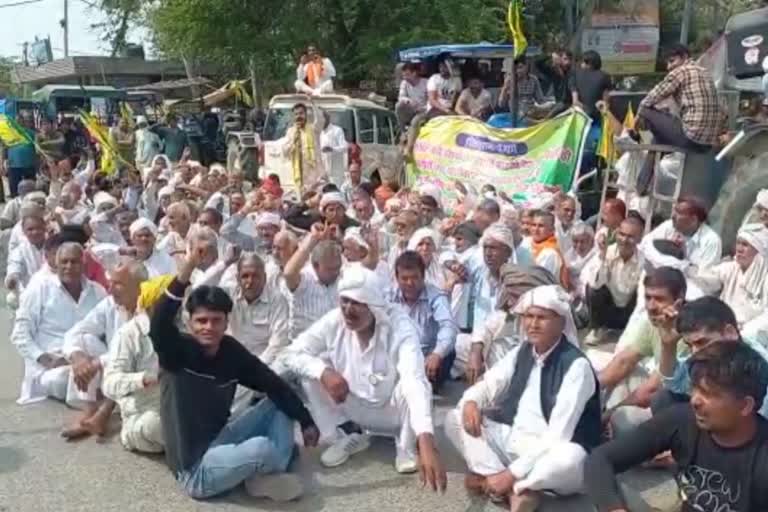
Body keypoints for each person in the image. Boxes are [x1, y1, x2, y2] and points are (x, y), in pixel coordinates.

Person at [148, 249, 318, 500]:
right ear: (190, 323)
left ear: (227, 322)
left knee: (280, 402)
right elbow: (160, 322)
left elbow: (271, 383)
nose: (209, 328)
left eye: (216, 321)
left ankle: (263, 474)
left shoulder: (230, 350)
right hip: (196, 469)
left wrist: (306, 421)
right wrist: (186, 270)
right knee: (262, 447)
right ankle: (266, 470)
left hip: (223, 437)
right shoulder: (176, 353)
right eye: (201, 321)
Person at [279, 265, 447, 489]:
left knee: (419, 385)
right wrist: (324, 372)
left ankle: (406, 446)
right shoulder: (335, 320)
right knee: (311, 372)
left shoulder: (400, 326)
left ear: (375, 307)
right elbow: (291, 353)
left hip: (394, 412)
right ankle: (344, 437)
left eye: (357, 303)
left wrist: (426, 440)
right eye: (344, 301)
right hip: (352, 405)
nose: (348, 310)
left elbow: (413, 379)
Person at [445, 285, 600, 512]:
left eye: (542, 318)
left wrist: (512, 473)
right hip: (515, 440)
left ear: (560, 322)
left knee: (570, 458)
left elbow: (558, 435)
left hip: (550, 453)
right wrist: (471, 401)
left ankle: (511, 482)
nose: (533, 324)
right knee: (455, 418)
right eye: (528, 316)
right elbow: (490, 383)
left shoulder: (577, 366)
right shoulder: (523, 350)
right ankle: (510, 487)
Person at [585, 341, 768, 512]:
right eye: (695, 388)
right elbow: (600, 459)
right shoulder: (682, 420)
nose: (695, 400)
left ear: (745, 405)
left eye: (709, 394)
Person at [11, 243, 108, 405]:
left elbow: (108, 330)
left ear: (83, 263)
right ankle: (95, 397)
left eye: (74, 262)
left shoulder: (97, 291)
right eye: (64, 262)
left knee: (88, 341)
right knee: (62, 379)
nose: (68, 266)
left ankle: (94, 394)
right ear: (56, 264)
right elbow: (20, 334)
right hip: (53, 365)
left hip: (88, 359)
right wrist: (45, 359)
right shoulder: (39, 288)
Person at [59, 260, 146, 440]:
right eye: (110, 283)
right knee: (83, 340)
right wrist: (78, 359)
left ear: (139, 287)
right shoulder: (110, 303)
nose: (111, 289)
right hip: (115, 368)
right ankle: (89, 410)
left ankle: (103, 414)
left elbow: (135, 353)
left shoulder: (150, 307)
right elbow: (77, 331)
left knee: (128, 360)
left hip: (143, 376)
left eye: (118, 284)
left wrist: (96, 363)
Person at [598, 267, 690, 436]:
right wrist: (588, 390)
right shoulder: (655, 322)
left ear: (680, 299)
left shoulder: (687, 328)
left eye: (660, 299)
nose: (651, 306)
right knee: (624, 371)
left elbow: (653, 390)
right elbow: (624, 361)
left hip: (683, 411)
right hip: (661, 398)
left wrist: (607, 415)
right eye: (648, 298)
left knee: (621, 417)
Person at [655, 296, 768, 418]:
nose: (695, 353)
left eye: (701, 342)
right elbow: (675, 382)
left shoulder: (759, 371)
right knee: (663, 399)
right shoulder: (709, 358)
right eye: (690, 345)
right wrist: (668, 345)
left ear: (729, 333)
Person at [102, 275, 172, 454]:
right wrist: (145, 378)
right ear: (152, 305)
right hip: (144, 411)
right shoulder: (129, 334)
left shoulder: (182, 326)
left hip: (178, 403)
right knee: (157, 425)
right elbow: (109, 383)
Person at [456, 264, 557, 384]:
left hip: (523, 383)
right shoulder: (511, 314)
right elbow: (484, 328)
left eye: (515, 297)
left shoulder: (547, 327)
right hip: (498, 372)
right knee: (461, 341)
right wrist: (475, 354)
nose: (509, 302)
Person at [637, 44, 721, 160]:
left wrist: (638, 119)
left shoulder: (682, 71)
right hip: (707, 144)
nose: (669, 67)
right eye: (667, 63)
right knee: (657, 138)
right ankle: (644, 178)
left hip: (691, 139)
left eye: (672, 61)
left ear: (685, 57)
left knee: (645, 110)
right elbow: (722, 110)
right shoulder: (705, 72)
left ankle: (643, 177)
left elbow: (652, 96)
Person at [389, 250, 458, 388]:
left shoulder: (437, 297)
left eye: (415, 277)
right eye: (404, 278)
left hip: (427, 356)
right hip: (399, 354)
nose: (409, 283)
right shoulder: (388, 297)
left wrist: (437, 354)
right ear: (397, 278)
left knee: (446, 355)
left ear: (423, 276)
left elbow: (448, 326)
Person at [582, 216, 644, 345]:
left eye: (631, 237)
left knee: (644, 288)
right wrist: (602, 257)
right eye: (622, 234)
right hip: (608, 311)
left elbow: (643, 298)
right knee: (593, 287)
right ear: (616, 233)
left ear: (639, 239)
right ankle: (596, 329)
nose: (624, 240)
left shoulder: (643, 260)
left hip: (629, 312)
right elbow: (594, 284)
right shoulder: (606, 253)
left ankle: (634, 333)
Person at [690, 223, 768, 326]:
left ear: (759, 251)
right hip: (724, 324)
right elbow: (710, 280)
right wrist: (690, 272)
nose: (739, 249)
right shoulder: (731, 267)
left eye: (745, 245)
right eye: (738, 243)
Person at [282, 223, 343, 337]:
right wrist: (311, 240)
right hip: (305, 346)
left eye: (337, 268)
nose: (336, 272)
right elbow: (289, 273)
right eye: (330, 269)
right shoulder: (304, 279)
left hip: (335, 345)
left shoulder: (341, 277)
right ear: (315, 265)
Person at [642, 196, 722, 268]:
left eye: (679, 212)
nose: (673, 216)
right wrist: (666, 246)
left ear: (693, 220)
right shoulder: (670, 225)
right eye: (674, 211)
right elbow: (644, 245)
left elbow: (703, 277)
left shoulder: (711, 241)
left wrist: (680, 258)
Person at [283, 102, 325, 191]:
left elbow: (321, 120)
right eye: (296, 114)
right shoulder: (290, 132)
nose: (299, 116)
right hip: (299, 177)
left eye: (301, 113)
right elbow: (285, 153)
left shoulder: (313, 129)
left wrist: (313, 103)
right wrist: (293, 142)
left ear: (306, 115)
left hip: (314, 175)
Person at [529, 210, 570, 289]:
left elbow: (539, 282)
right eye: (534, 225)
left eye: (541, 226)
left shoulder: (550, 253)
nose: (536, 229)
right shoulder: (527, 242)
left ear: (552, 230)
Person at [570, 50, 612, 123]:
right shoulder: (605, 76)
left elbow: (575, 101)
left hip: (580, 117)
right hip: (597, 117)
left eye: (582, 62)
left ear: (588, 63)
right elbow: (606, 103)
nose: (581, 64)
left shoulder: (575, 74)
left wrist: (584, 110)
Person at [500, 57, 546, 121]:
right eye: (515, 68)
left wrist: (546, 106)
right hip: (517, 114)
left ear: (526, 67)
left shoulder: (533, 79)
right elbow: (501, 104)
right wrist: (505, 88)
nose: (518, 71)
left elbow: (540, 100)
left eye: (520, 67)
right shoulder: (510, 80)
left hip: (532, 112)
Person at [3, 115, 37, 197]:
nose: (18, 123)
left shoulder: (31, 133)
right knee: (14, 188)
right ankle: (15, 205)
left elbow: (37, 147)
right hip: (14, 165)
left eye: (20, 121)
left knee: (30, 188)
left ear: (24, 122)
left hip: (29, 164)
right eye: (16, 121)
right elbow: (4, 148)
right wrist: (3, 161)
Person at [395, 62, 429, 130]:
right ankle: (403, 131)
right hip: (411, 109)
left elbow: (431, 100)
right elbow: (401, 97)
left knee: (415, 122)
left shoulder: (426, 83)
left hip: (424, 110)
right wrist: (409, 101)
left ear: (414, 73)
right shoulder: (404, 83)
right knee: (398, 105)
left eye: (407, 75)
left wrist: (423, 108)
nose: (405, 78)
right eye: (404, 76)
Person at [319, 111, 348, 186]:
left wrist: (332, 149)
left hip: (335, 173)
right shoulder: (320, 133)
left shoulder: (337, 130)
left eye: (321, 119)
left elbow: (345, 146)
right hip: (323, 173)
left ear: (327, 119)